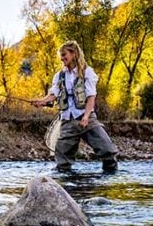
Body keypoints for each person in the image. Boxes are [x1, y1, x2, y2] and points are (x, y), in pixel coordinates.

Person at [32, 40, 119, 173]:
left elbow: (91, 97)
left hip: (87, 119)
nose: (62, 58)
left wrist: (85, 116)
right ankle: (67, 185)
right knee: (62, 162)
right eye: (61, 55)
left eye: (64, 54)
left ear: (73, 54)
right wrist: (41, 101)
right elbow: (53, 94)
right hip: (67, 121)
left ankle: (111, 177)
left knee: (107, 151)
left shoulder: (87, 72)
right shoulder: (59, 76)